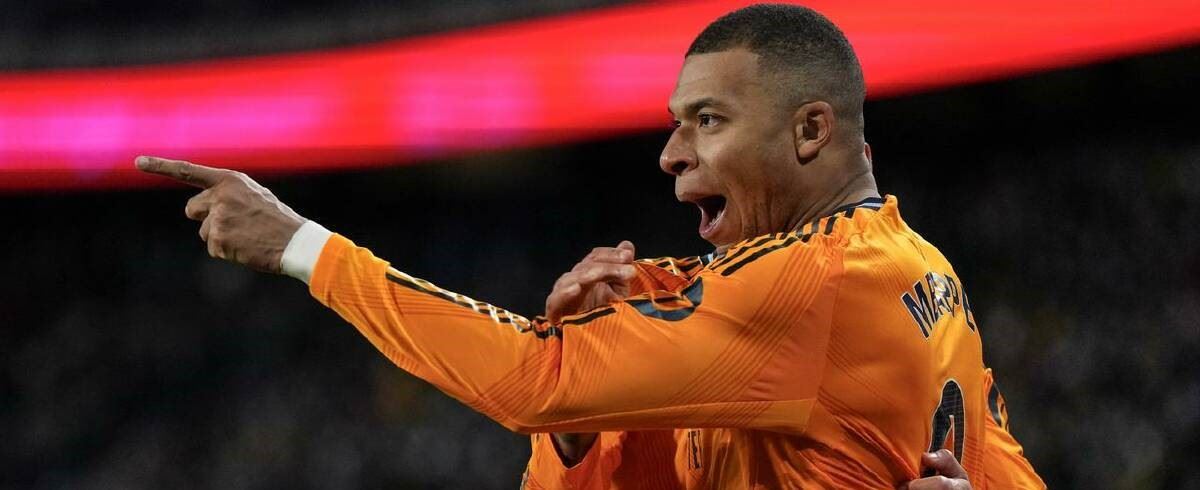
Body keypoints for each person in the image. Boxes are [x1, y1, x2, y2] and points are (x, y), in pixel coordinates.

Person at [138, 3, 1043, 488]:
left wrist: (303, 247)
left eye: (708, 120)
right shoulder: (923, 274)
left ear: (811, 130)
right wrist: (583, 432)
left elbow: (532, 380)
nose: (671, 153)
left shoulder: (806, 284)